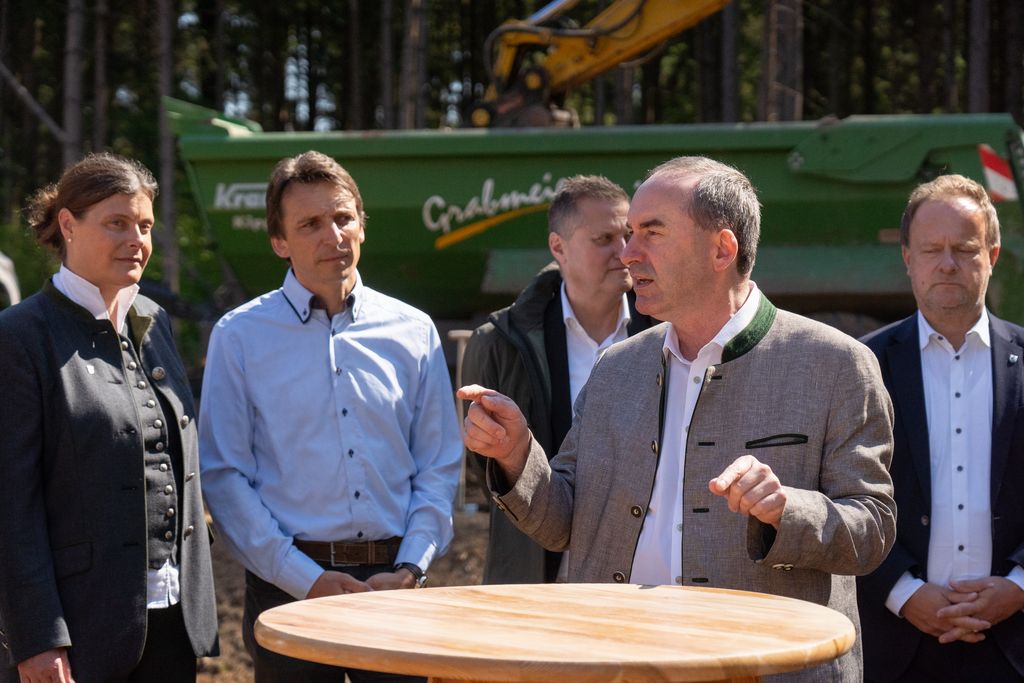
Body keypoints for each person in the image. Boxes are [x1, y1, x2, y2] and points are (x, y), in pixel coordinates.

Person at [460, 156, 896, 682]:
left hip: (767, 668)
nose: (628, 253)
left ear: (722, 249)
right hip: (620, 665)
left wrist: (787, 510)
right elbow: (564, 522)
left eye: (652, 232)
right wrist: (517, 454)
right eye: (628, 234)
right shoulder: (616, 366)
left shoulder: (836, 364)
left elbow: (872, 528)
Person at [199, 150, 462, 683]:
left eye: (343, 217)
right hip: (287, 590)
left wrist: (411, 566)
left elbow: (439, 464)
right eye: (310, 224)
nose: (333, 236)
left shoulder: (413, 331)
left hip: (394, 589)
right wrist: (304, 578)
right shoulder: (239, 337)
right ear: (279, 241)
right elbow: (224, 476)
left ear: (362, 224)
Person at [0, 153, 219, 682]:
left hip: (173, 620)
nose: (136, 240)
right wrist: (37, 636)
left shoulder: (153, 319)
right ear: (68, 224)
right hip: (77, 630)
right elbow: (10, 506)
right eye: (116, 223)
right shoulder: (19, 336)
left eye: (144, 225)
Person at [856, 174, 1024, 682]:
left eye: (965, 249)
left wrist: (1019, 587)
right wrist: (904, 593)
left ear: (992, 256)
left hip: (1014, 646)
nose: (947, 263)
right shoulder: (863, 365)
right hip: (896, 646)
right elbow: (838, 492)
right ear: (908, 257)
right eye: (932, 249)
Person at [462, 175, 654, 584]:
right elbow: (491, 471)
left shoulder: (668, 334)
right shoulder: (501, 342)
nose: (624, 251)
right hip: (537, 578)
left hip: (643, 580)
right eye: (604, 239)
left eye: (628, 235)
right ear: (558, 247)